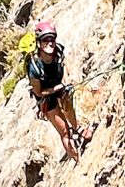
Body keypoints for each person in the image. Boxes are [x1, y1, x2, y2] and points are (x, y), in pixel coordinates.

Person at [26, 16, 84, 161]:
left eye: (52, 39)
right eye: (45, 40)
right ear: (39, 43)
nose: (50, 43)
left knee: (71, 110)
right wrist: (55, 89)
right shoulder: (34, 68)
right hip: (46, 97)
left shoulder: (58, 52)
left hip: (60, 86)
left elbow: (65, 68)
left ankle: (80, 132)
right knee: (64, 131)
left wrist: (67, 82)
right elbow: (38, 92)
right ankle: (77, 158)